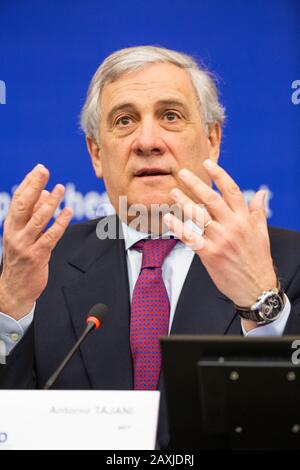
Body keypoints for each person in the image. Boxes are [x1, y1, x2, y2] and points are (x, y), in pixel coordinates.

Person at [1, 46, 300, 448]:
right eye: (124, 121)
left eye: (170, 116)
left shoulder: (289, 262)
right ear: (96, 153)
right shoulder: (37, 266)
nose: (147, 141)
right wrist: (10, 312)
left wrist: (260, 303)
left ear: (212, 140)